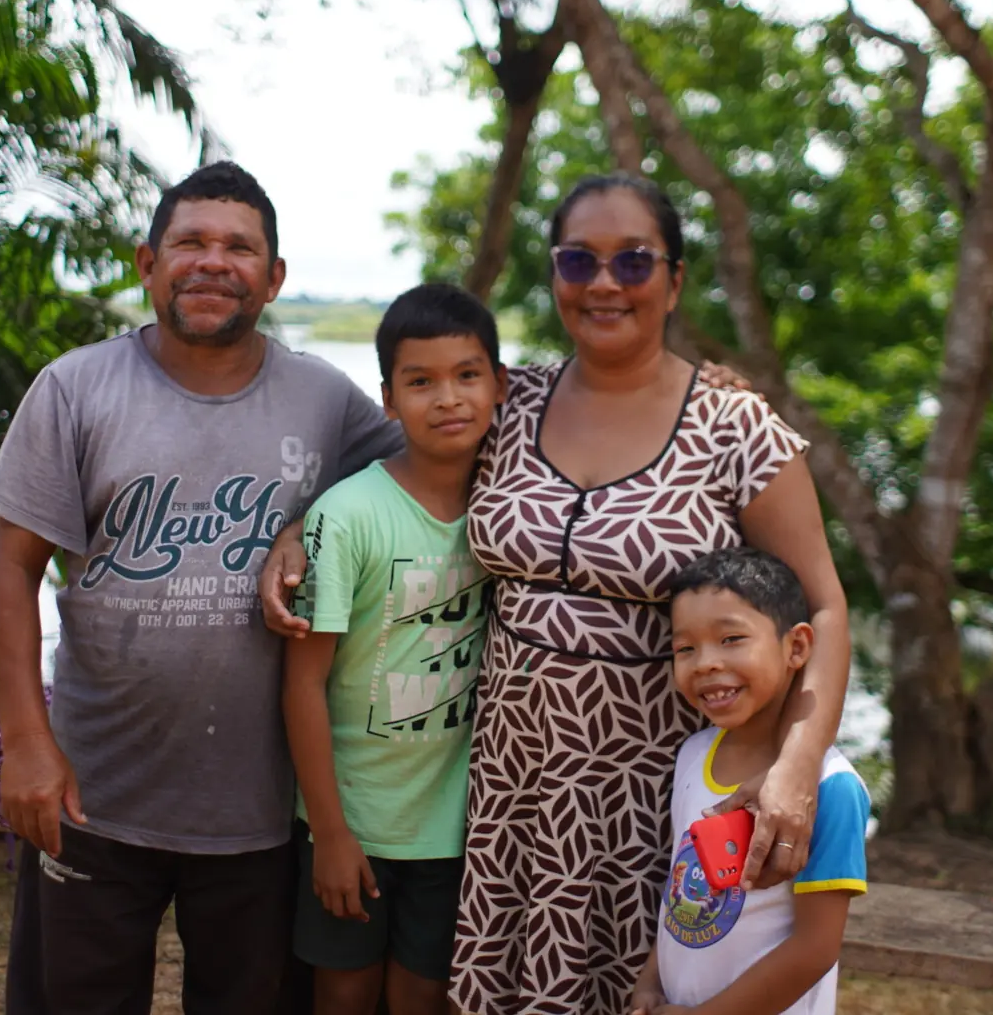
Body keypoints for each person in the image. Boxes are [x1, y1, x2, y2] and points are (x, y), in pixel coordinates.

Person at [265, 173, 852, 1015]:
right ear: (554, 277)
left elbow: (822, 609)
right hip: (505, 792)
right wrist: (294, 536)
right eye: (579, 260)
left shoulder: (737, 430)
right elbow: (388, 467)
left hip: (655, 789)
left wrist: (798, 763)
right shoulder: (510, 399)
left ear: (676, 279)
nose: (604, 282)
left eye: (633, 261)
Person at [0, 160, 404, 1015]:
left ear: (274, 277)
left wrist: (300, 526)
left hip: (260, 808)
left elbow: (433, 457)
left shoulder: (324, 400)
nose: (214, 262)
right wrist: (25, 739)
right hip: (90, 794)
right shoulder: (77, 388)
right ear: (147, 262)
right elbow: (6, 567)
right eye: (190, 242)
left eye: (239, 247)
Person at [281, 284, 507, 1015]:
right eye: (421, 381)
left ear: (499, 386)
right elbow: (304, 683)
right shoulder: (347, 517)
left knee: (424, 994)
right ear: (387, 399)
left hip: (454, 827)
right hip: (355, 820)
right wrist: (332, 834)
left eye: (468, 376)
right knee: (343, 992)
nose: (448, 398)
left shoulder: (514, 508)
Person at [629, 547, 869, 1015]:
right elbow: (678, 894)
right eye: (685, 648)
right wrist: (650, 982)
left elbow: (815, 950)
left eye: (732, 638)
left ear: (797, 647)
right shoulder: (692, 755)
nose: (705, 663)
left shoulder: (832, 788)